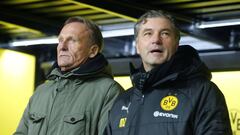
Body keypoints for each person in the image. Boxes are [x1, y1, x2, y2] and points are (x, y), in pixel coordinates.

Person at [105, 10, 232, 135]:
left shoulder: (203, 92)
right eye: (148, 34)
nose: (156, 40)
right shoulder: (122, 101)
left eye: (165, 33)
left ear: (176, 44)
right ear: (138, 45)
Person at [14, 16, 123, 135]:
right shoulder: (41, 92)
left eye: (72, 40)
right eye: (60, 40)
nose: (62, 46)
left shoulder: (108, 92)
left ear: (93, 51)